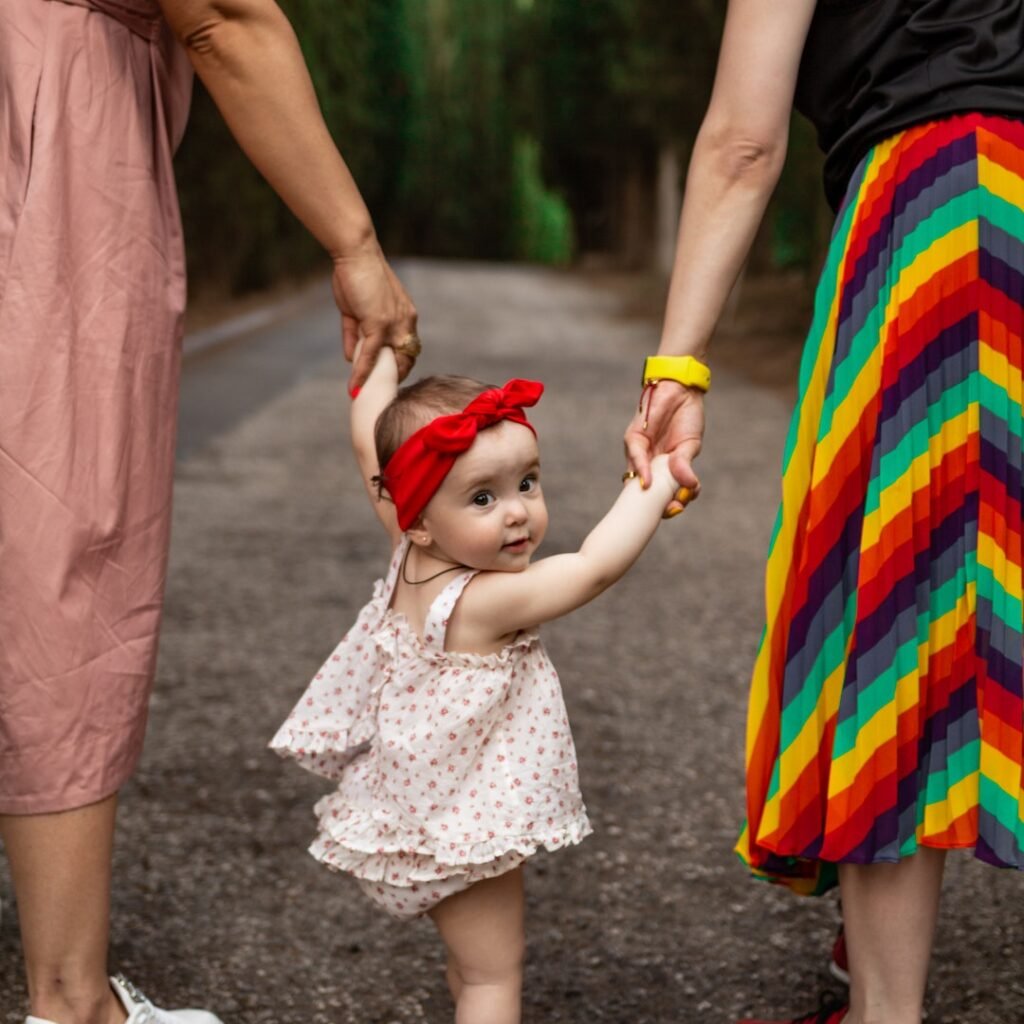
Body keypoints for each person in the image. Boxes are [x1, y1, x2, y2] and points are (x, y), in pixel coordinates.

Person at [0, 1, 417, 1022]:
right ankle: (69, 999)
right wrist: (354, 242)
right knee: (61, 544)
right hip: (50, 142)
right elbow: (222, 15)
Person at [623, 2, 1024, 1023]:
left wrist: (677, 361)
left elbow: (742, 139)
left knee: (901, 619)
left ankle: (886, 1011)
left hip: (945, 214)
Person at [270, 346, 690, 1023]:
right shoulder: (483, 604)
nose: (518, 513)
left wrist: (379, 362)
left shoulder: (410, 543)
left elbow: (366, 442)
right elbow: (592, 569)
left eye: (527, 482)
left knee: (470, 966)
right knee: (496, 975)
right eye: (484, 498)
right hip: (460, 828)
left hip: (420, 810)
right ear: (420, 517)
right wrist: (661, 477)